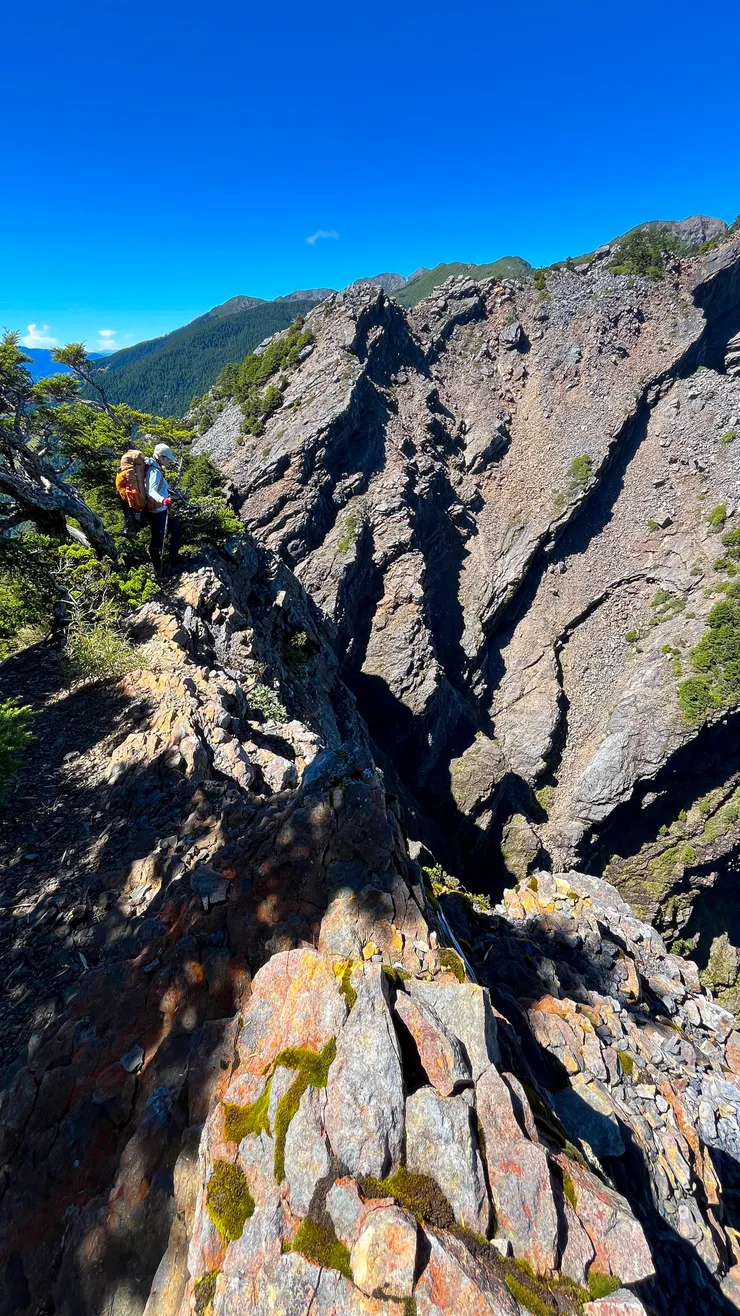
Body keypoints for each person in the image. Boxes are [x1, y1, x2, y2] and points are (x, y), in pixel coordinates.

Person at [145, 443, 183, 573]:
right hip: (157, 512)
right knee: (157, 542)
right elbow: (151, 491)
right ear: (161, 457)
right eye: (168, 458)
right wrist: (163, 500)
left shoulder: (156, 468)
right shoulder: (154, 471)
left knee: (176, 530)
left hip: (162, 509)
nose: (170, 461)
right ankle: (159, 570)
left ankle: (173, 560)